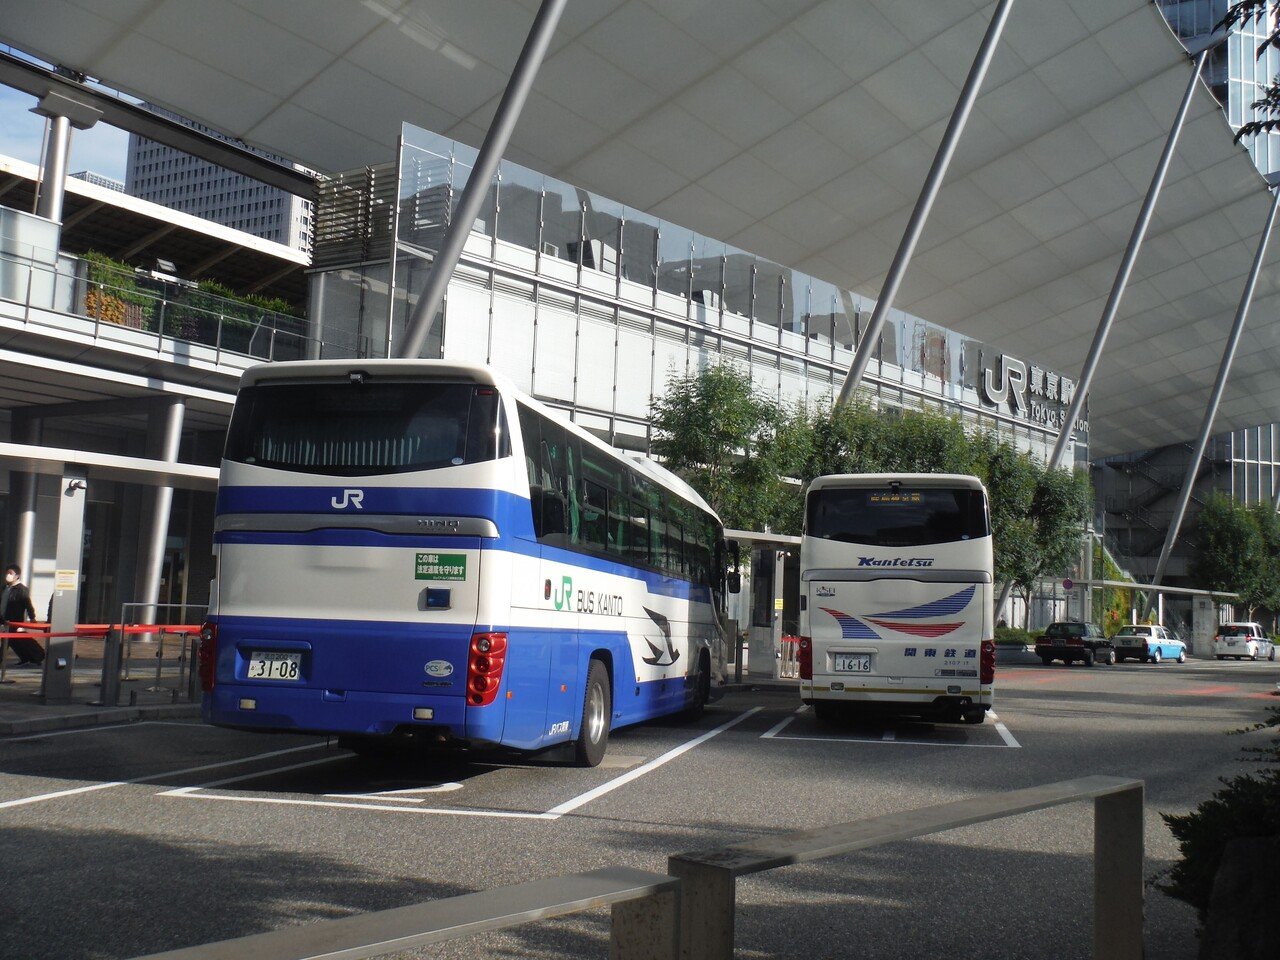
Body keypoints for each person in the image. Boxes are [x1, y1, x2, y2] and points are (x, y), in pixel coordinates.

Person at [2, 563, 45, 667]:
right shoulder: (5, 588)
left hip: (14, 620)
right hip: (4, 619)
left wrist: (32, 617)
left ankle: (36, 655)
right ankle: (30, 657)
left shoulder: (22, 589)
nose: (8, 575)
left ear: (17, 576)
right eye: (7, 573)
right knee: (14, 641)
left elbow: (28, 604)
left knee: (6, 641)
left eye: (11, 573)